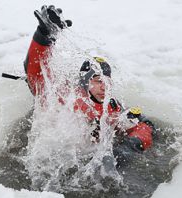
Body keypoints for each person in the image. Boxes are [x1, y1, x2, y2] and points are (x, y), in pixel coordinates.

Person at [24, 5, 154, 153]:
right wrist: (44, 35)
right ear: (85, 83)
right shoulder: (64, 97)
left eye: (107, 81)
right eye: (98, 81)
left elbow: (145, 125)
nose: (104, 86)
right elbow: (36, 71)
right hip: (56, 154)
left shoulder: (112, 106)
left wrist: (132, 144)